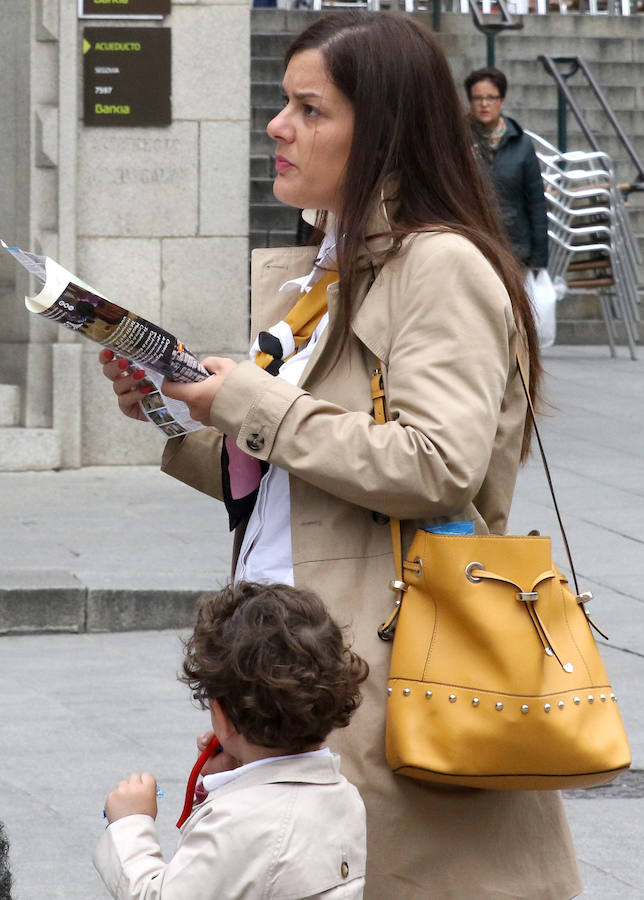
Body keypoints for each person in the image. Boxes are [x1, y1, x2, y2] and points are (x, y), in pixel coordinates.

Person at [98, 12, 581, 898]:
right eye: (283, 105)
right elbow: (297, 482)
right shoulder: (331, 269)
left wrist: (248, 397)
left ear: (383, 130)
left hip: (401, 672)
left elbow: (436, 464)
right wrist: (174, 414)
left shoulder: (438, 266)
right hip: (315, 669)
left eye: (309, 109)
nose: (278, 128)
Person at [94, 581, 369, 900]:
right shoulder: (346, 798)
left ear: (221, 716)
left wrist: (130, 824)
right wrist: (228, 780)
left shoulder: (239, 821)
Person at [465, 66, 549, 272]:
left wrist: (539, 260)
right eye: (478, 98)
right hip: (472, 248)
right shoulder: (459, 142)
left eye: (491, 97)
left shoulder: (521, 144)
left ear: (501, 101)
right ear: (470, 102)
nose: (484, 104)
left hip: (515, 251)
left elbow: (536, 202)